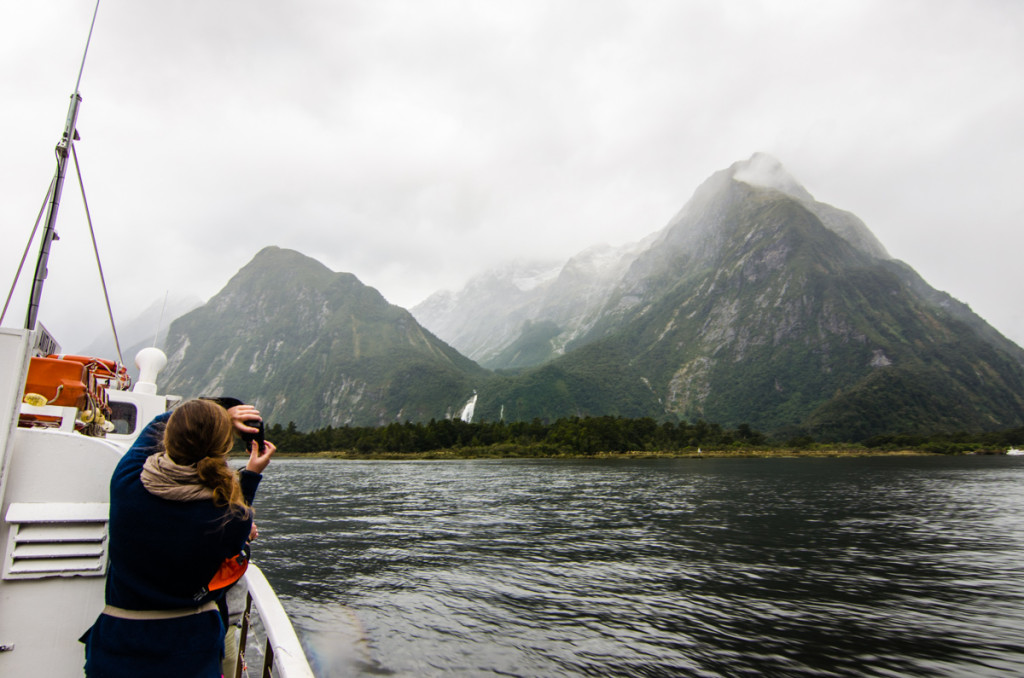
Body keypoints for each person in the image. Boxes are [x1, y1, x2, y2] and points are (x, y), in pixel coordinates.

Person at [81, 398, 276, 677]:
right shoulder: (232, 518)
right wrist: (251, 476)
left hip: (119, 643)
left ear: (168, 438)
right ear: (224, 449)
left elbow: (151, 430)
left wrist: (220, 413)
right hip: (190, 651)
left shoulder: (126, 484)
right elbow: (231, 549)